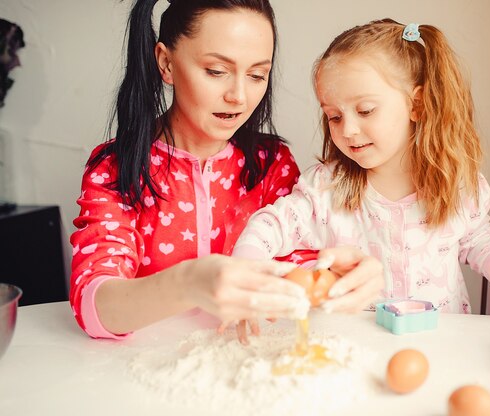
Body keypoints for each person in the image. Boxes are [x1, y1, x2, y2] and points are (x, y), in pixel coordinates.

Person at [69, 0, 383, 343]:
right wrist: (189, 282)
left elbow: (292, 265)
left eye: (256, 75)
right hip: (140, 372)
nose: (238, 96)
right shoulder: (115, 168)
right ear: (166, 63)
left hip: (242, 369)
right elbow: (94, 306)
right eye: (217, 71)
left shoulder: (270, 163)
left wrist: (334, 275)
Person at [233, 20, 490, 313]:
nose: (348, 129)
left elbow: (476, 237)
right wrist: (246, 271)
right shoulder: (326, 189)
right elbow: (270, 225)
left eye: (365, 111)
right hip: (358, 349)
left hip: (441, 343)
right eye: (334, 117)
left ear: (416, 105)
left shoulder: (457, 184)